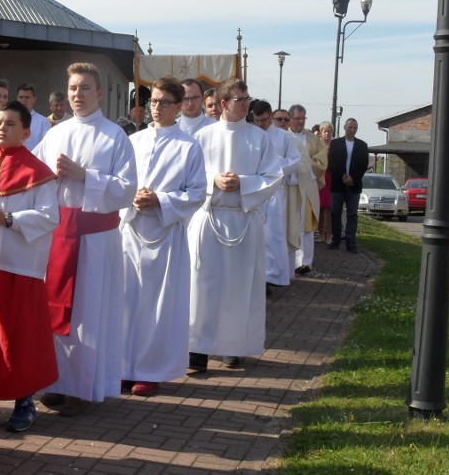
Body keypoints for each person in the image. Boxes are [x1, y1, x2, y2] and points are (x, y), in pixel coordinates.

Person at [32, 62, 137, 416]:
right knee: (55, 314)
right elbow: (34, 175)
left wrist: (84, 176)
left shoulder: (114, 136)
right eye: (73, 88)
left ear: (100, 93)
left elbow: (126, 190)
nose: (78, 94)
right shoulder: (54, 133)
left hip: (94, 238)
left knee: (90, 313)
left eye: (85, 88)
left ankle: (85, 386)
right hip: (59, 235)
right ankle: (56, 382)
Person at [0, 101, 59, 432]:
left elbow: (49, 217)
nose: (2, 127)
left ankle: (24, 402)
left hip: (21, 267)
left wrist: (9, 219)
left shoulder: (40, 173)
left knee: (21, 338)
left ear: (27, 132)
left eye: (11, 123)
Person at [187, 78, 282, 372]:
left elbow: (273, 177)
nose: (246, 104)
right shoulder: (203, 136)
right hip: (210, 216)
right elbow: (190, 176)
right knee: (202, 287)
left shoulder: (259, 138)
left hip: (243, 218)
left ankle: (232, 348)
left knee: (238, 287)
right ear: (225, 103)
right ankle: (197, 351)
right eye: (240, 99)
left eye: (247, 99)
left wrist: (243, 182)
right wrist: (213, 180)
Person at [121, 78, 206, 396]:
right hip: (131, 230)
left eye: (164, 103)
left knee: (157, 304)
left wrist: (160, 200)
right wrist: (131, 195)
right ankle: (124, 366)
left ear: (179, 105)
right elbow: (122, 180)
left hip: (164, 233)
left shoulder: (188, 146)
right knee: (128, 300)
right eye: (153, 102)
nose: (157, 108)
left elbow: (197, 193)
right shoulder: (135, 140)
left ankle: (149, 369)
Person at [251, 100, 302, 290]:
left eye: (263, 120)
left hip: (274, 192)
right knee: (254, 235)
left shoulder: (283, 137)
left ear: (270, 116)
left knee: (272, 236)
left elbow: (295, 161)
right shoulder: (250, 133)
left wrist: (275, 164)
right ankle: (254, 276)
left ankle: (270, 277)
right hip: (253, 190)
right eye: (256, 120)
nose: (260, 124)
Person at [288, 104, 327, 275]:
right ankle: (291, 262)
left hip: (308, 186)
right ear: (290, 119)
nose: (301, 122)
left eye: (303, 118)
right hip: (289, 187)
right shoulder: (283, 137)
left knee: (307, 225)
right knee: (290, 223)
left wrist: (303, 164)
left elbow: (322, 162)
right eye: (298, 118)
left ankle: (306, 263)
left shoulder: (313, 139)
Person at [327, 118, 369, 253]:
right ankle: (336, 240)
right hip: (338, 185)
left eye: (354, 128)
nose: (352, 130)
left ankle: (351, 243)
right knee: (335, 213)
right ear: (345, 127)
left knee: (352, 215)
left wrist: (353, 178)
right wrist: (343, 177)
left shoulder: (362, 145)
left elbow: (363, 165)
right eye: (350, 127)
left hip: (354, 185)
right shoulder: (335, 144)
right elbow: (332, 163)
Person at [16, 82, 52, 151]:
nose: (23, 100)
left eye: (27, 97)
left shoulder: (44, 122)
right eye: (21, 97)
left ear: (34, 99)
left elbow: (46, 147)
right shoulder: (11, 120)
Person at [317, 122, 334, 244]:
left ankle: (329, 235)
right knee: (320, 208)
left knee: (328, 209)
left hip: (331, 179)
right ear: (321, 132)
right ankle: (320, 234)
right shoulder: (317, 146)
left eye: (329, 131)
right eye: (325, 131)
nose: (327, 134)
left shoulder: (335, 146)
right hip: (320, 179)